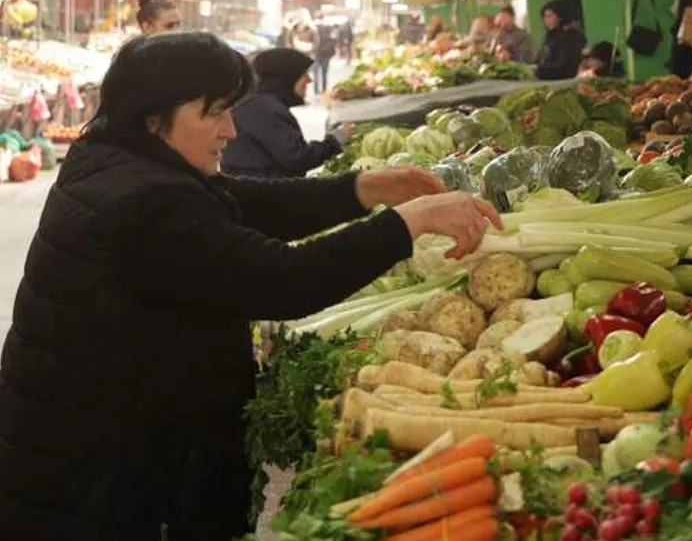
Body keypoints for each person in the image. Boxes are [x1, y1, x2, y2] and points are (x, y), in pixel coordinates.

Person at [0, 32, 500, 540]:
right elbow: (283, 280)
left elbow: (239, 204)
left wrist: (360, 190)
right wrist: (406, 224)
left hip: (86, 452)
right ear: (155, 117)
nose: (231, 130)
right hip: (107, 482)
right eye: (214, 113)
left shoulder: (117, 160)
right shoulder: (145, 205)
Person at [221, 47, 348, 177]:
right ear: (288, 77)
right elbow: (297, 157)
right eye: (304, 74)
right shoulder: (264, 109)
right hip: (263, 192)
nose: (309, 80)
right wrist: (337, 139)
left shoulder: (260, 103)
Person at [535, 0, 587, 81]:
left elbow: (564, 68)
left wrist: (538, 69)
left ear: (560, 17)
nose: (547, 20)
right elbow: (540, 59)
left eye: (550, 16)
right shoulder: (550, 36)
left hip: (561, 82)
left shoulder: (571, 37)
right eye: (545, 17)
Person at [313, 18, 338, 94]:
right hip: (326, 54)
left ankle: (316, 90)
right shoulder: (329, 30)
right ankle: (324, 89)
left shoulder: (315, 31)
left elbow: (313, 43)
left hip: (317, 53)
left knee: (316, 72)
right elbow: (334, 41)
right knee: (324, 72)